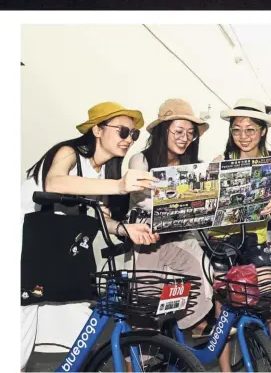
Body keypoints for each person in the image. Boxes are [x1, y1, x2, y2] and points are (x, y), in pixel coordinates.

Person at [21, 102, 158, 370]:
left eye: (133, 134)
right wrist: (118, 186)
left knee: (80, 328)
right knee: (19, 335)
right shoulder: (68, 152)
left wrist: (123, 228)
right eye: (122, 131)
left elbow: (94, 215)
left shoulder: (103, 172)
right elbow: (55, 183)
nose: (128, 139)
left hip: (51, 251)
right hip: (21, 245)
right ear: (97, 129)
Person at [210, 98, 271, 371]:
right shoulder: (221, 160)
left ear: (263, 131)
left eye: (250, 130)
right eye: (237, 130)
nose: (243, 136)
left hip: (256, 240)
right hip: (221, 241)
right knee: (223, 311)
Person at [128, 99, 213, 332]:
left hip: (178, 241)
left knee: (197, 286)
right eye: (178, 131)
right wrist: (185, 200)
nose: (184, 137)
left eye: (190, 133)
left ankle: (191, 334)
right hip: (146, 242)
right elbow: (141, 198)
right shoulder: (141, 160)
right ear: (163, 132)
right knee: (144, 318)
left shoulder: (195, 166)